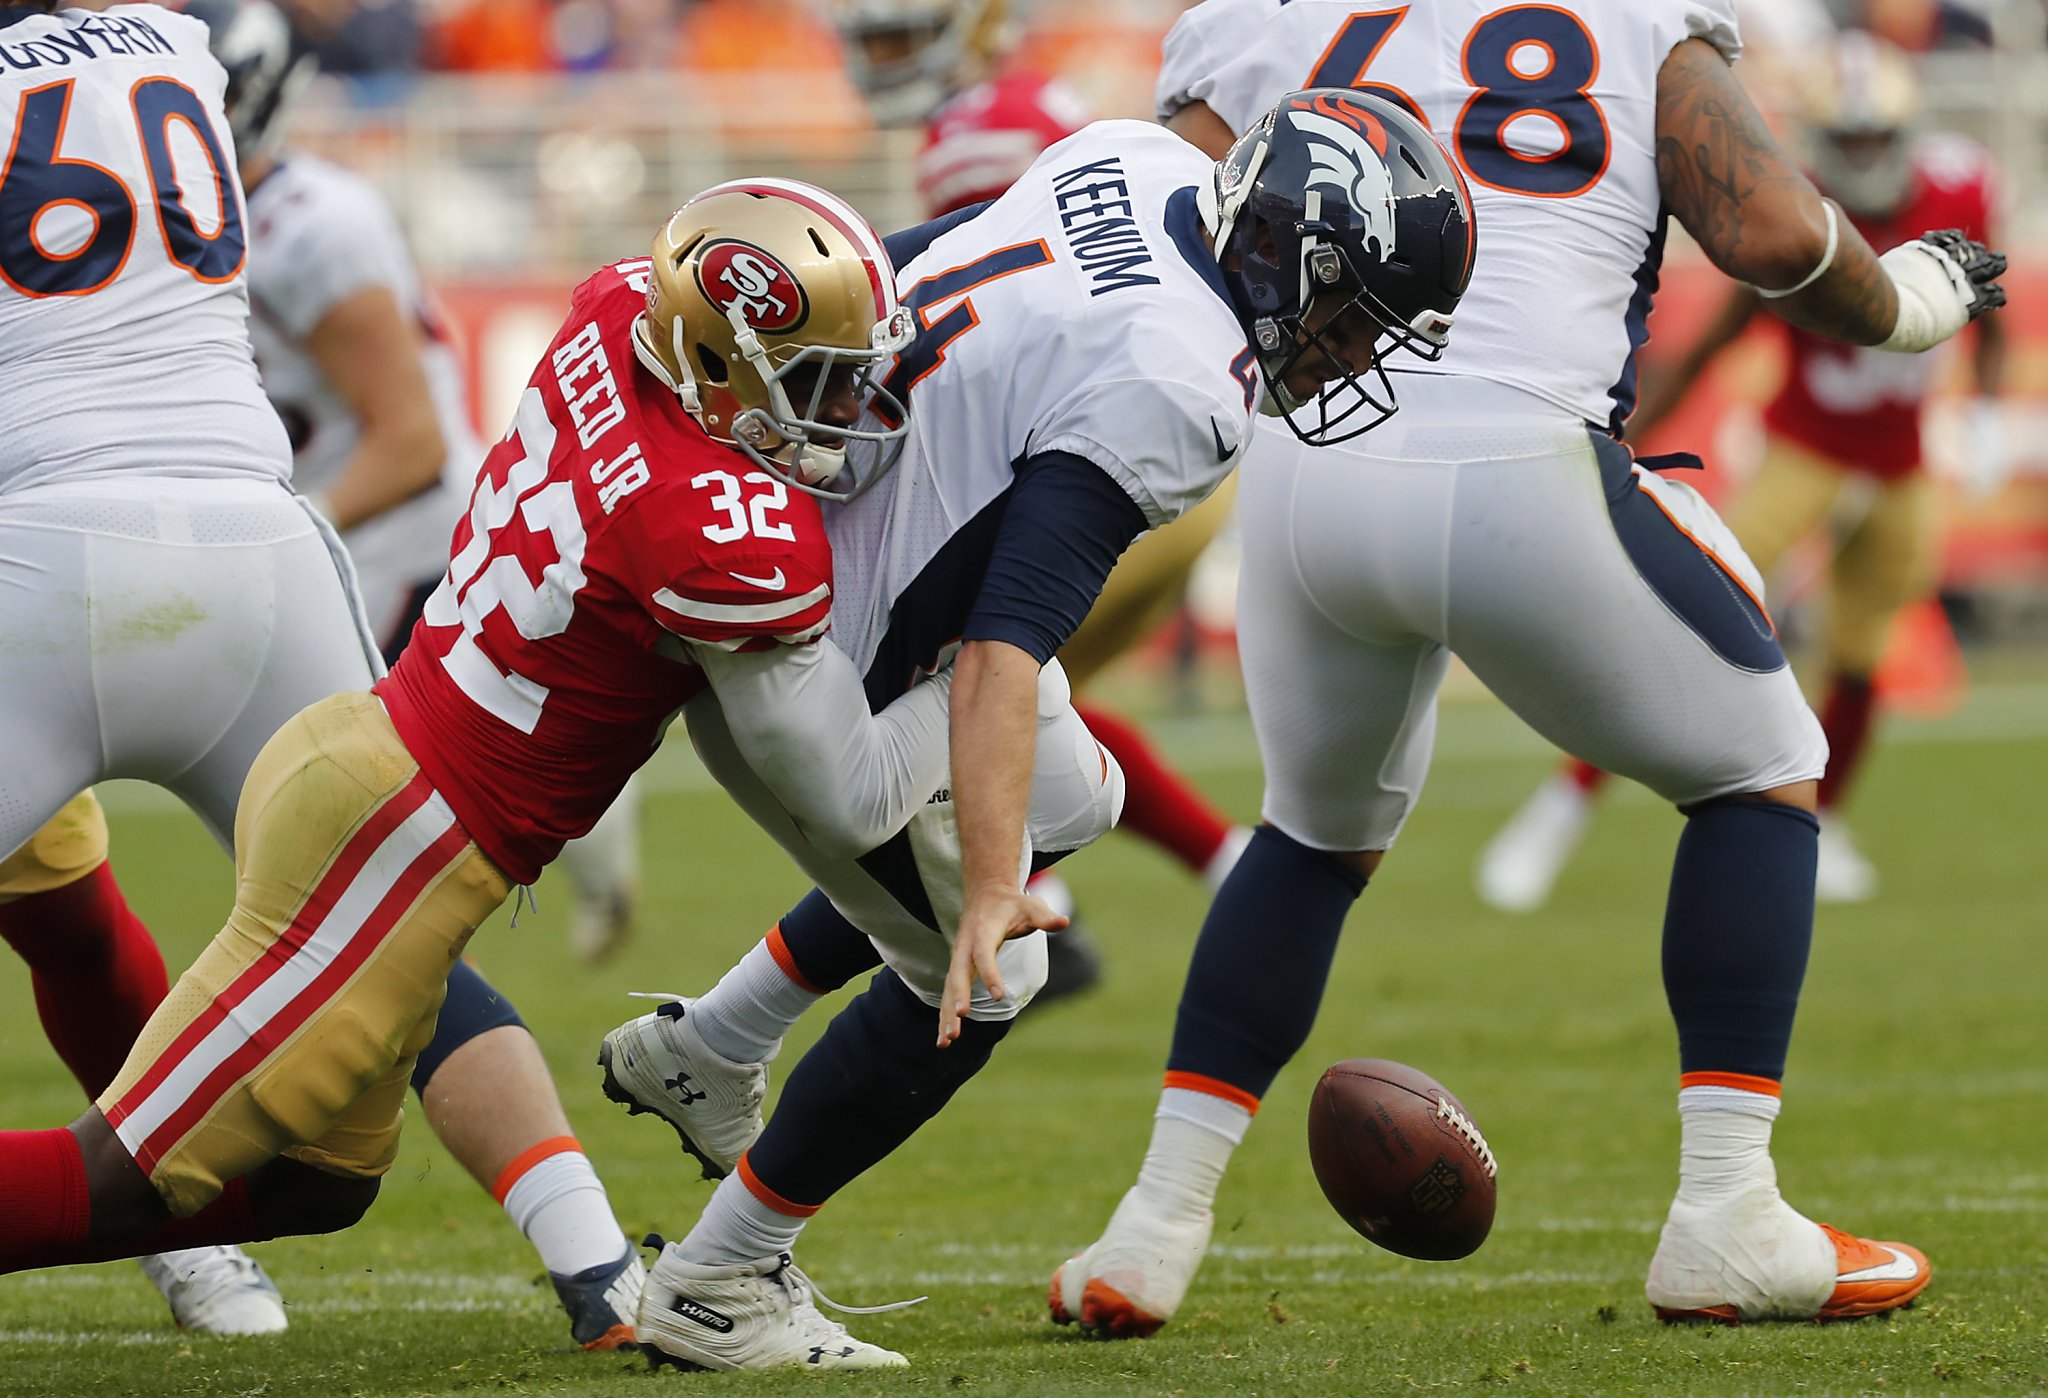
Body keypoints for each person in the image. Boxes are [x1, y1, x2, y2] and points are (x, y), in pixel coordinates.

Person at [1049, 0, 2005, 1336]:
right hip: (1528, 469)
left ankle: (1148, 1228)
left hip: (1307, 474)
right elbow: (1775, 233)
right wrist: (1914, 303)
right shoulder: (1638, 18)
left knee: (1312, 838)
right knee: (1765, 769)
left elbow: (1154, 238)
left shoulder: (1264, 16)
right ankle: (1728, 1206)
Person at [604, 92, 1472, 1370]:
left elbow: (882, 274)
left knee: (1081, 794)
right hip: (818, 669)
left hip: (794, 548)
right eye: (1351, 324)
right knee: (988, 976)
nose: (1348, 361)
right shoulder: (1183, 382)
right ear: (1298, 258)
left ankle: (712, 1041)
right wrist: (995, 890)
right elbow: (1005, 647)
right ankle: (718, 1278)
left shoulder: (1129, 155)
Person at [0, 0, 646, 1347]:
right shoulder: (169, 44)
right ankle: (603, 1269)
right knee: (386, 969)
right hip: (262, 550)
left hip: (35, 563)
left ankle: (182, 1238)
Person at [1476, 31, 2004, 912]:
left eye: (1879, 137)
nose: (1867, 155)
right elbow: (1716, 343)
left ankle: (1827, 820)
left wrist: (1983, 410)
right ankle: (1563, 806)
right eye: (1853, 138)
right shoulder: (1806, 219)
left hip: (1902, 461)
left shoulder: (1958, 191)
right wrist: (1621, 434)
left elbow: (1992, 302)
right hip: (1807, 449)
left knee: (1862, 654)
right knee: (1692, 610)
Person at [833, 0, 1254, 996]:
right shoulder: (1044, 106)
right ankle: (1134, 884)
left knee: (976, 684)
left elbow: (1003, 323)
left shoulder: (972, 130)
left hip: (1114, 449)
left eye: (902, 35)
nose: (883, 57)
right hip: (1160, 449)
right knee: (1026, 695)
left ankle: (1026, 904)